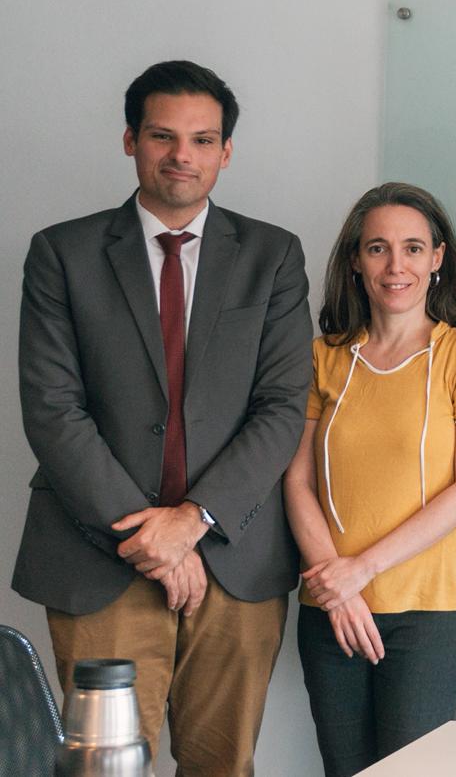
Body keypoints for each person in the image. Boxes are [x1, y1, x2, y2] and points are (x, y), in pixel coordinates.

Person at [13, 60, 312, 775]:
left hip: (235, 558)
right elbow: (52, 408)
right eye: (162, 136)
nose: (183, 155)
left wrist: (194, 521)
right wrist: (153, 540)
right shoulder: (63, 252)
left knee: (222, 767)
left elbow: (282, 406)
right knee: (104, 766)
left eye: (203, 139)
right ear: (130, 140)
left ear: (225, 151)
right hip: (100, 556)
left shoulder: (272, 255)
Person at [285, 182, 456, 776]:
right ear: (356, 261)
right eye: (377, 248)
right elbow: (297, 483)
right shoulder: (323, 357)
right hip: (331, 608)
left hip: (428, 612)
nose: (395, 265)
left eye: (412, 248)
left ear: (437, 259)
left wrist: (361, 571)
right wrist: (339, 589)